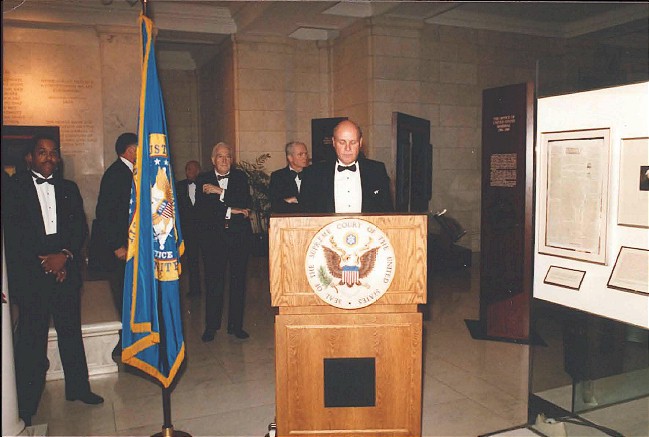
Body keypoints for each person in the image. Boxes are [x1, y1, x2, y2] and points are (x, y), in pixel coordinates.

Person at [4, 134, 103, 426]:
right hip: (33, 274)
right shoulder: (14, 188)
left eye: (53, 153)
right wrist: (46, 263)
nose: (49, 157)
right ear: (30, 157)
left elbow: (79, 229)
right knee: (32, 340)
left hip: (65, 270)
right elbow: (14, 233)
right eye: (42, 152)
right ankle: (26, 403)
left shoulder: (69, 188)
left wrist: (64, 256)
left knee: (70, 331)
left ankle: (78, 388)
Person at [195, 142, 252, 341]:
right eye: (220, 156)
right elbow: (204, 211)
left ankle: (236, 326)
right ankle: (211, 326)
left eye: (228, 156)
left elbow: (245, 200)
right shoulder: (203, 179)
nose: (225, 160)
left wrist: (220, 193)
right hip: (214, 239)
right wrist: (231, 210)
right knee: (213, 282)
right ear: (213, 160)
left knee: (238, 282)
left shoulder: (240, 177)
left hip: (239, 238)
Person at [91, 132, 137, 355]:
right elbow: (105, 214)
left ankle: (130, 336)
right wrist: (117, 245)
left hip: (132, 244)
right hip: (121, 248)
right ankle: (123, 341)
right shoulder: (115, 174)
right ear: (129, 151)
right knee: (120, 294)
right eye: (138, 148)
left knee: (129, 293)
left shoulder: (129, 172)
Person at [299, 119, 393, 213]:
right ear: (334, 142)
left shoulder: (377, 171)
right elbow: (304, 216)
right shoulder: (313, 174)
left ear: (360, 142)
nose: (348, 148)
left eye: (353, 142)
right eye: (342, 142)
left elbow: (388, 213)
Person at [176, 160, 203, 296]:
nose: (188, 172)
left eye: (191, 169)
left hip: (204, 231)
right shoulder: (179, 186)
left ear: (198, 171)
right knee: (191, 260)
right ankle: (194, 290)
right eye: (187, 169)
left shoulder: (205, 185)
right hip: (188, 230)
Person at [269, 141, 310, 213]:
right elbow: (276, 204)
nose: (305, 157)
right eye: (300, 154)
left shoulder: (314, 174)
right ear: (290, 158)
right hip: (287, 219)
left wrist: (291, 200)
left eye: (305, 154)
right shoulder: (278, 176)